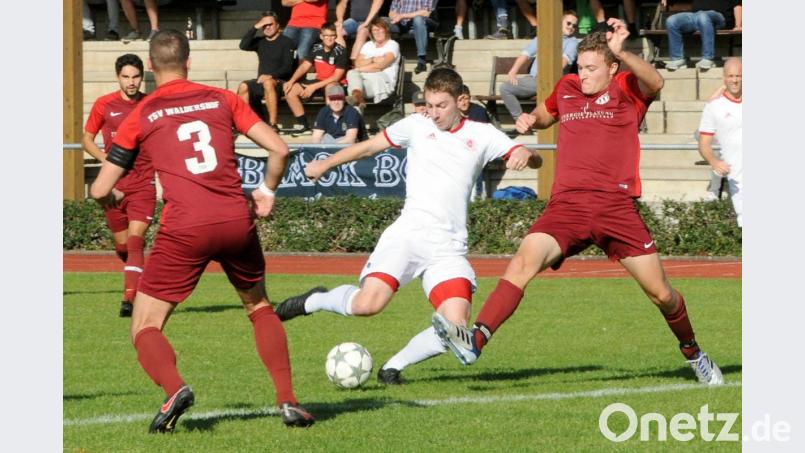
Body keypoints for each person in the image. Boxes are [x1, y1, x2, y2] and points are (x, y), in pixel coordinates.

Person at [432, 23, 725, 387]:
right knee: (523, 262)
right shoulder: (567, 88)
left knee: (661, 294)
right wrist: (530, 120)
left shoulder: (627, 88)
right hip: (567, 206)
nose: (582, 75)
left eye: (591, 68)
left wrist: (623, 52)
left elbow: (657, 83)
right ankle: (476, 339)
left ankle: (693, 352)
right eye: (580, 67)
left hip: (615, 208)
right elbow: (544, 114)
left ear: (612, 67)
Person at [89, 29, 315, 432]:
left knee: (144, 326)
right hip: (234, 219)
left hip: (184, 227)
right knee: (260, 307)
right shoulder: (223, 98)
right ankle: (288, 401)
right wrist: (265, 191)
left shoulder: (143, 112)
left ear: (152, 69)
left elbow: (101, 188)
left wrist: (107, 197)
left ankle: (175, 388)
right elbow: (280, 149)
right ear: (189, 63)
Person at [274, 68, 541, 385]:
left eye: (441, 105)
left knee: (455, 326)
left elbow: (532, 157)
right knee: (366, 305)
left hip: (448, 249)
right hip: (408, 236)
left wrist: (526, 153)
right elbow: (370, 147)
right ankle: (315, 300)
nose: (433, 112)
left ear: (462, 101)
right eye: (429, 104)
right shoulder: (416, 125)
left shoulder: (483, 134)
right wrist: (325, 163)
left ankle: (392, 367)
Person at [83, 54, 153, 318]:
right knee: (123, 248)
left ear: (141, 77)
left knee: (136, 243)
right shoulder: (105, 104)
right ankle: (137, 275)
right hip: (112, 187)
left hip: (143, 184)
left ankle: (129, 300)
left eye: (135, 77)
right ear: (118, 77)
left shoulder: (150, 104)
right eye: (126, 77)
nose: (131, 82)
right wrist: (107, 162)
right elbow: (87, 139)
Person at [499, 10, 579, 122]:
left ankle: (524, 122)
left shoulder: (572, 42)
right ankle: (521, 120)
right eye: (568, 23)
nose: (571, 27)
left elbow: (563, 62)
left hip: (552, 81)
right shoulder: (544, 38)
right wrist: (513, 71)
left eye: (574, 26)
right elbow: (525, 54)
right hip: (534, 79)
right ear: (560, 22)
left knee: (506, 88)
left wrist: (545, 77)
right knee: (505, 88)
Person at [698, 57, 742, 226]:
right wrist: (714, 161)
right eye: (731, 76)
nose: (735, 80)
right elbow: (703, 143)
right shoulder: (714, 107)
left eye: (739, 76)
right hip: (737, 178)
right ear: (724, 78)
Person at [283, 22, 349, 133]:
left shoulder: (341, 51)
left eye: (332, 35)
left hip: (334, 83)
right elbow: (304, 66)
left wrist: (313, 87)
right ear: (321, 36)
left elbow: (336, 77)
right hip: (319, 81)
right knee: (291, 91)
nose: (329, 38)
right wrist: (291, 81)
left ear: (336, 36)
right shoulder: (316, 48)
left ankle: (332, 125)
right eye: (326, 36)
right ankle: (305, 126)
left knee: (331, 89)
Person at [237, 11, 297, 130]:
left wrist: (270, 76)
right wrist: (255, 27)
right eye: (264, 25)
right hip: (262, 81)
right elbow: (243, 45)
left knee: (268, 83)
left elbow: (287, 68)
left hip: (280, 83)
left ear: (278, 26)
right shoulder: (260, 42)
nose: (267, 27)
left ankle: (273, 124)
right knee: (243, 86)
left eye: (270, 24)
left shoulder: (287, 42)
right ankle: (243, 123)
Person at [664, 0, 742, 71]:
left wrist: (738, 25)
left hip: (719, 17)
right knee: (672, 21)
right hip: (696, 16)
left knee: (703, 16)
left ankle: (708, 58)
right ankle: (678, 59)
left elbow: (737, 5)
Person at [346, 17, 401, 111]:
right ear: (371, 32)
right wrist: (373, 59)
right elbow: (357, 63)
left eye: (380, 29)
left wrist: (359, 69)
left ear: (386, 30)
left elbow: (382, 65)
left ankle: (356, 101)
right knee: (352, 75)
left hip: (383, 81)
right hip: (364, 79)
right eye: (374, 30)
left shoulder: (392, 44)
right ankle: (358, 97)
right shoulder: (368, 45)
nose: (377, 32)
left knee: (353, 83)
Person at [389, 0, 438, 74]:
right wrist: (395, 17)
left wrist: (401, 16)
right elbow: (391, 12)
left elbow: (425, 13)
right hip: (402, 22)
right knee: (382, 23)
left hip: (424, 21)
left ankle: (422, 61)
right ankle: (387, 58)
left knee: (418, 19)